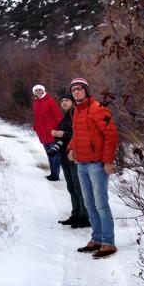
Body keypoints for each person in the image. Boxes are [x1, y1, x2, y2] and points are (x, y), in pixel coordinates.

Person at [68, 78, 119, 258]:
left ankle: (108, 242)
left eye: (80, 89)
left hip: (96, 165)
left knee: (101, 204)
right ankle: (96, 238)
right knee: (89, 204)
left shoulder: (98, 109)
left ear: (87, 91)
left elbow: (111, 136)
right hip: (81, 164)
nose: (76, 92)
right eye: (73, 90)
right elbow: (77, 134)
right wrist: (71, 149)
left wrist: (107, 161)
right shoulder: (76, 111)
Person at [51, 94, 89, 228]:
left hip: (74, 156)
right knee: (71, 187)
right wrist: (56, 134)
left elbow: (80, 133)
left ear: (73, 102)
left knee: (79, 188)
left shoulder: (76, 115)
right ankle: (76, 215)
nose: (64, 102)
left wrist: (61, 134)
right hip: (64, 156)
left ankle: (85, 217)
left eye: (66, 100)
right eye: (62, 100)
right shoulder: (65, 117)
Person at [31, 84, 63, 180]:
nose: (38, 92)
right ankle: (52, 173)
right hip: (42, 133)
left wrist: (60, 129)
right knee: (49, 154)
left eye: (40, 90)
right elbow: (36, 119)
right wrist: (35, 127)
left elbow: (58, 115)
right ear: (34, 93)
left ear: (43, 91)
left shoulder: (50, 101)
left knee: (55, 154)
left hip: (53, 132)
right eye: (36, 90)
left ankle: (55, 175)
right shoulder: (35, 104)